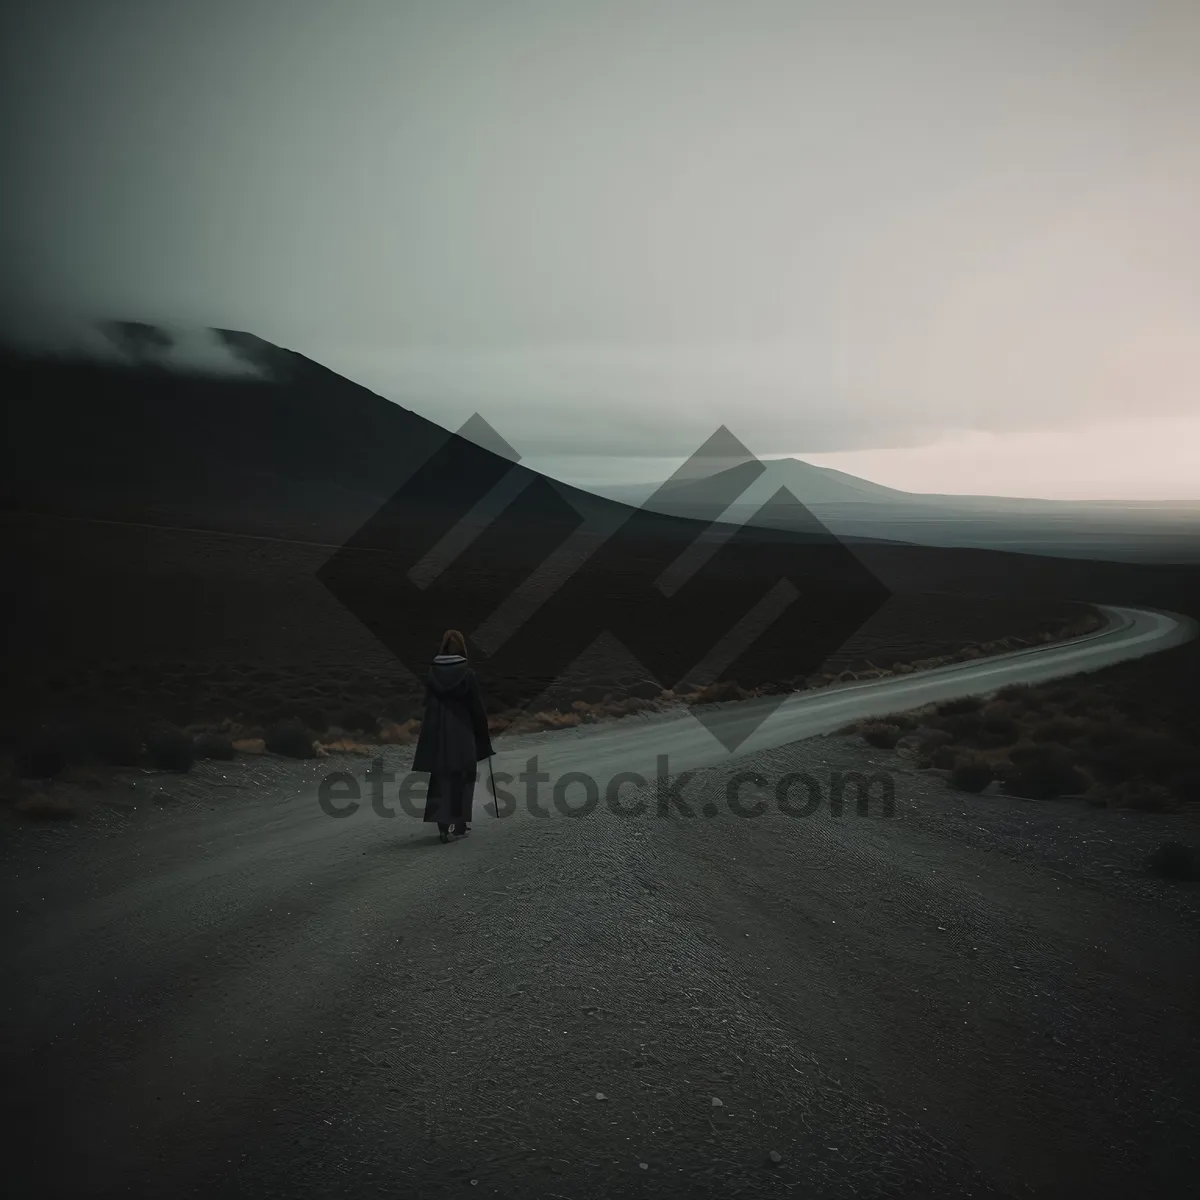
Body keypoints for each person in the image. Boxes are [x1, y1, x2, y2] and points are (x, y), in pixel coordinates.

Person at [411, 628, 494, 843]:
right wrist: (483, 736)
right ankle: (459, 823)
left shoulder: (432, 673)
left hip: (439, 732)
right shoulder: (467, 673)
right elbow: (476, 708)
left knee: (440, 778)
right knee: (463, 775)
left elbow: (426, 704)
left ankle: (442, 826)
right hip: (462, 731)